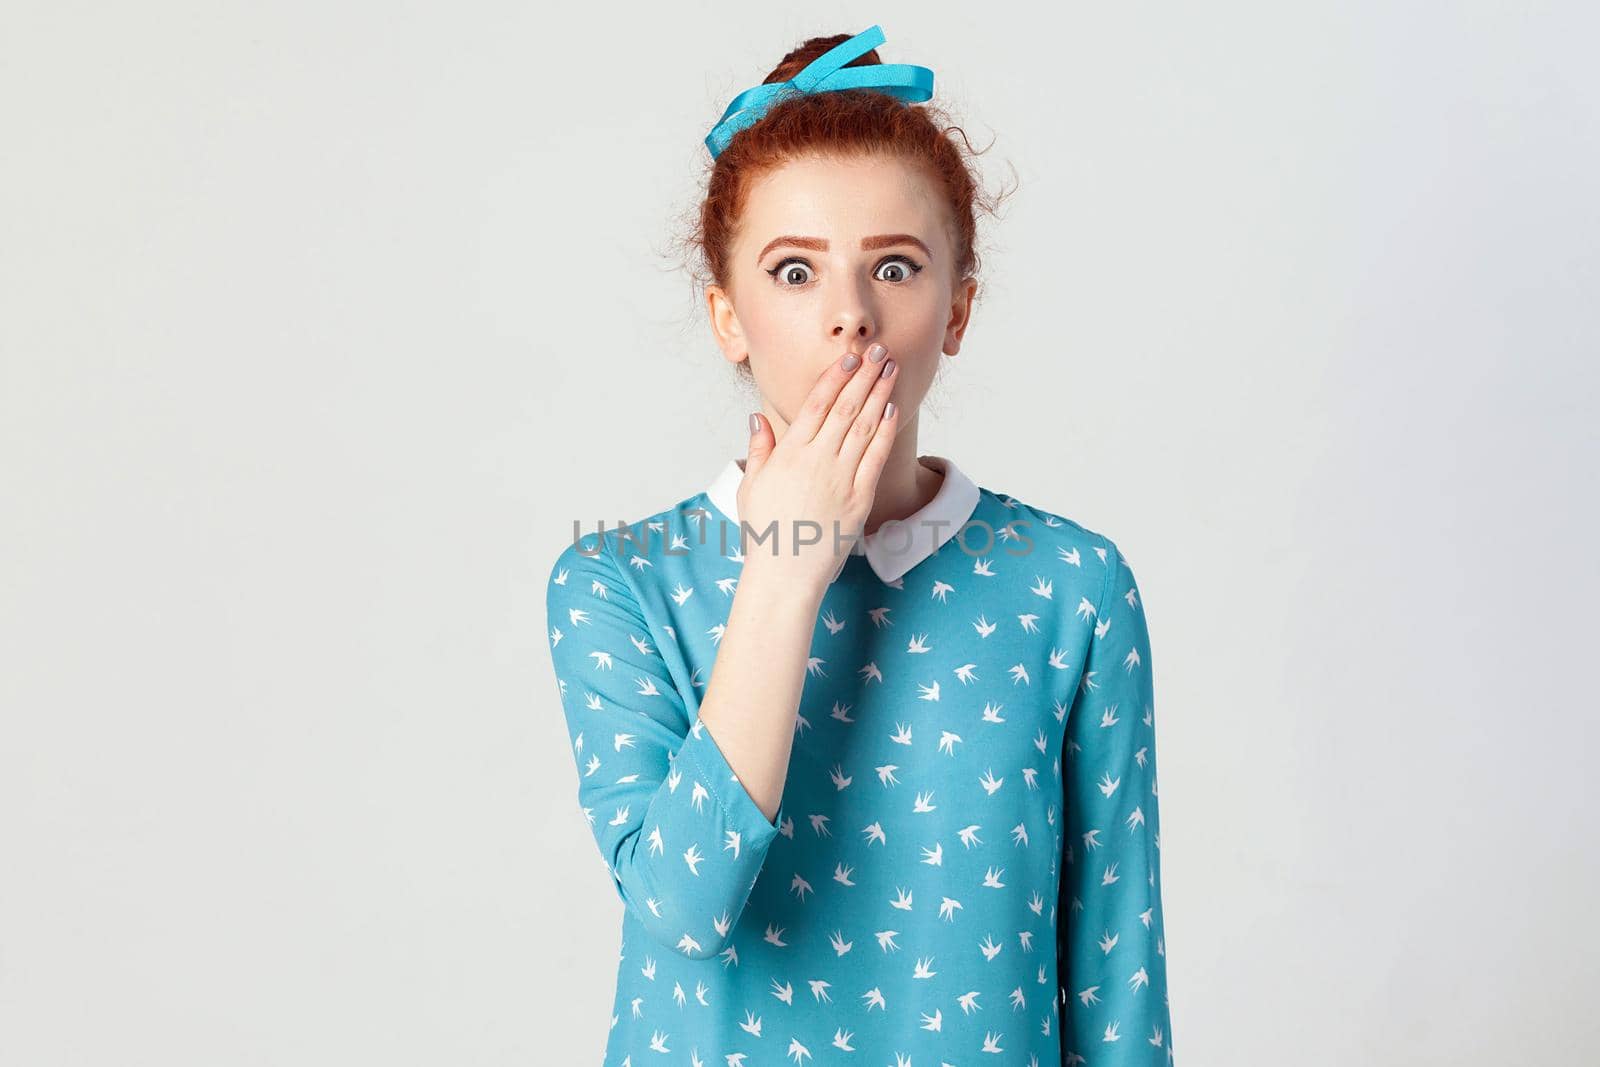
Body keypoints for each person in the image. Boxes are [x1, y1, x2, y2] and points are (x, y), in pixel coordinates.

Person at [544, 25, 1176, 1065]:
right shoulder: (618, 583)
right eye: (793, 271)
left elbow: (1116, 975)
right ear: (726, 316)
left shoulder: (1071, 585)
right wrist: (787, 567)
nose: (849, 315)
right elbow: (682, 903)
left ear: (957, 310)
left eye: (893, 265)